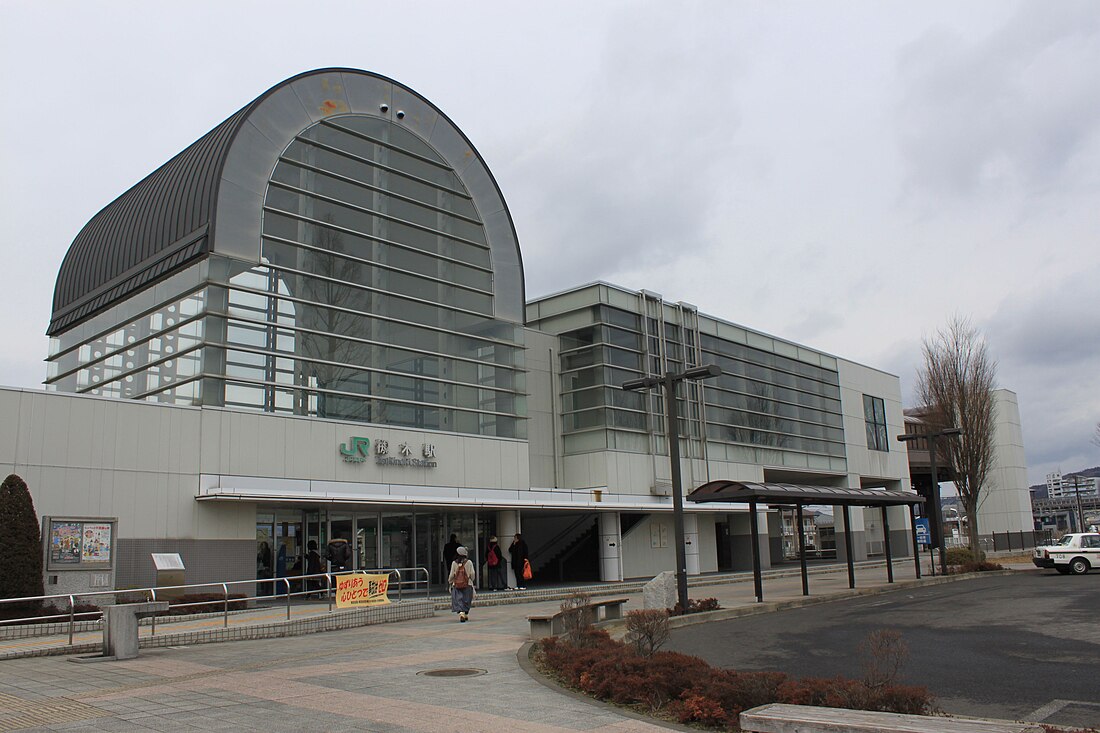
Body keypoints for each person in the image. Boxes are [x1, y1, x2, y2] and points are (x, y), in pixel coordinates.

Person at [447, 546, 476, 622]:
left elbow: (451, 575)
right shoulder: (469, 562)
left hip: (456, 584)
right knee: (467, 600)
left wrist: (450, 581)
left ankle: (461, 613)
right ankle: (465, 614)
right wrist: (471, 580)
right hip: (467, 584)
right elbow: (472, 573)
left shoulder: (454, 563)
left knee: (459, 599)